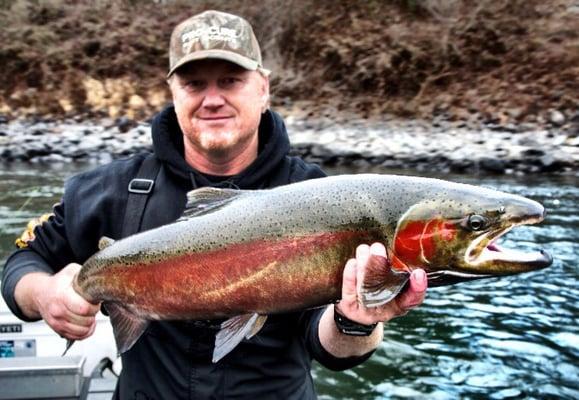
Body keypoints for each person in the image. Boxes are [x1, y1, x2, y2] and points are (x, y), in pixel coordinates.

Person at [1, 10, 427, 399]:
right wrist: (47, 294)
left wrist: (356, 321)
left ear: (263, 88)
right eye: (194, 83)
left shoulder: (320, 198)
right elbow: (23, 262)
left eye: (230, 80)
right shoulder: (109, 189)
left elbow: (327, 345)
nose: (212, 98)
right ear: (173, 92)